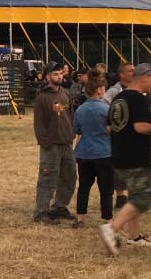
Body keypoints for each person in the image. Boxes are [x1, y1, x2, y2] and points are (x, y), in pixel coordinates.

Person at [98, 64, 151, 255]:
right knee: (143, 197)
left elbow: (109, 127)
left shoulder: (118, 99)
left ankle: (134, 237)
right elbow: (140, 127)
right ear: (144, 77)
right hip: (136, 157)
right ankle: (111, 229)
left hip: (118, 155)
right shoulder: (139, 100)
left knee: (135, 195)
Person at [32, 61, 77, 225]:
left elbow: (71, 115)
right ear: (47, 77)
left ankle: (59, 207)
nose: (59, 76)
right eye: (55, 74)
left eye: (60, 73)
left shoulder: (66, 94)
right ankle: (41, 212)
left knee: (69, 176)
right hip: (51, 146)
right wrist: (46, 143)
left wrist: (71, 134)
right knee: (47, 178)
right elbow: (38, 123)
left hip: (66, 144)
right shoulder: (42, 97)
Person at [74, 73, 113, 226]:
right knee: (106, 188)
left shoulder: (80, 110)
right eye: (103, 87)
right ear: (98, 90)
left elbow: (77, 129)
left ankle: (80, 217)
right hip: (104, 152)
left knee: (84, 186)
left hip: (84, 153)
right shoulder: (106, 109)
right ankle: (108, 218)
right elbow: (112, 129)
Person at [104, 62, 135, 210]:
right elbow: (104, 108)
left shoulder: (136, 90)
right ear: (122, 75)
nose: (133, 73)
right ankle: (120, 195)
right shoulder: (113, 92)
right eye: (130, 71)